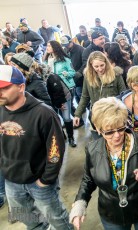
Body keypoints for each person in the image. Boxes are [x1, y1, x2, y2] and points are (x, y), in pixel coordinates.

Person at [70, 97, 138, 230]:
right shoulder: (92, 150)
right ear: (98, 129)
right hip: (111, 213)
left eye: (121, 128)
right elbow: (88, 179)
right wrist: (80, 203)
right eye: (109, 132)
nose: (117, 136)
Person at [0, 65, 73, 229]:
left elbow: (56, 151)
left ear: (20, 86)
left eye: (4, 88)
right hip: (11, 181)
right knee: (27, 219)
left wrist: (46, 179)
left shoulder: (44, 113)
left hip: (39, 182)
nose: (0, 93)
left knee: (58, 220)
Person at [73, 51, 126, 139]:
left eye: (102, 65)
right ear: (91, 66)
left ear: (106, 63)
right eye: (96, 66)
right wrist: (77, 114)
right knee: (99, 143)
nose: (100, 69)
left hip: (113, 117)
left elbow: (123, 95)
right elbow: (85, 97)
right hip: (96, 117)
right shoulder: (88, 76)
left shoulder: (116, 74)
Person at [44, 40, 77, 147]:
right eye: (47, 46)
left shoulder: (65, 60)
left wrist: (66, 74)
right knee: (55, 116)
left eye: (49, 45)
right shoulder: (45, 61)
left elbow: (73, 72)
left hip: (65, 90)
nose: (47, 47)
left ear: (55, 47)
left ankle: (71, 137)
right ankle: (62, 136)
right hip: (51, 92)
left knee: (66, 116)